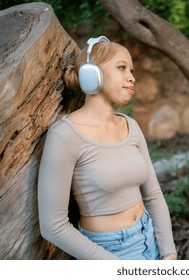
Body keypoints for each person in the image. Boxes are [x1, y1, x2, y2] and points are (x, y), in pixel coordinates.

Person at [37, 36, 177, 260]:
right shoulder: (64, 135)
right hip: (108, 253)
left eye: (131, 70)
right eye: (121, 68)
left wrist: (169, 252)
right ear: (91, 74)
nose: (131, 78)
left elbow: (153, 195)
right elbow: (53, 226)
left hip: (150, 238)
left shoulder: (131, 126)